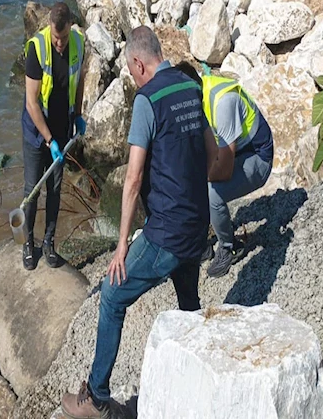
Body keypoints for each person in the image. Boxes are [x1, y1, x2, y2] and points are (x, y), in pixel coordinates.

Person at [60, 27, 218, 418]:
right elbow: (212, 153)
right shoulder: (190, 86)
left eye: (132, 74)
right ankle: (197, 380)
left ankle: (97, 399)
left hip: (166, 232)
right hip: (197, 224)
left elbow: (132, 180)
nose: (134, 80)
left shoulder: (148, 100)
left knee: (112, 296)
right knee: (189, 303)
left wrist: (121, 247)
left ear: (138, 63)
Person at [176, 62, 274, 279]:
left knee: (211, 193)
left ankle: (230, 246)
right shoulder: (196, 99)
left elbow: (226, 170)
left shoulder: (222, 103)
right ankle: (200, 243)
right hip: (235, 152)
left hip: (257, 156)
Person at [21, 2, 86, 271]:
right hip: (37, 132)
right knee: (33, 189)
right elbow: (31, 103)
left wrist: (78, 115)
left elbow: (79, 81)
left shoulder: (78, 43)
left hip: (62, 127)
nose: (60, 43)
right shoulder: (37, 49)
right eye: (56, 38)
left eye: (64, 37)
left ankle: (49, 242)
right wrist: (49, 140)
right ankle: (28, 243)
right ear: (50, 27)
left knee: (55, 189)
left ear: (70, 26)